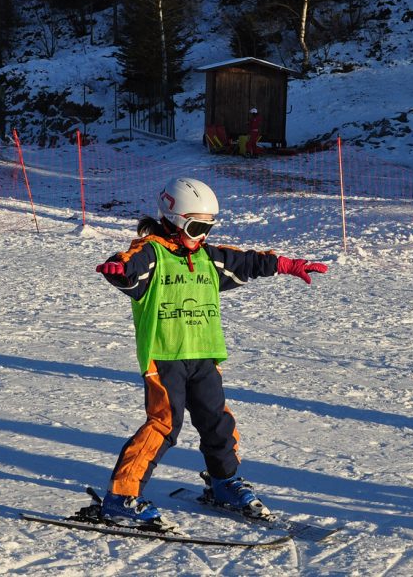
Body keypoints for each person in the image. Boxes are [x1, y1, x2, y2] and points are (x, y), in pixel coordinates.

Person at [94, 177, 327, 526]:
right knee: (163, 425)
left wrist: (287, 265)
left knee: (217, 422)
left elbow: (248, 261)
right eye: (196, 226)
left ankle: (224, 483)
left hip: (205, 356)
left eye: (208, 227)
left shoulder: (207, 257)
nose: (203, 235)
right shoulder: (151, 254)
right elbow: (130, 264)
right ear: (172, 219)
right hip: (165, 357)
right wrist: (119, 271)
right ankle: (122, 497)